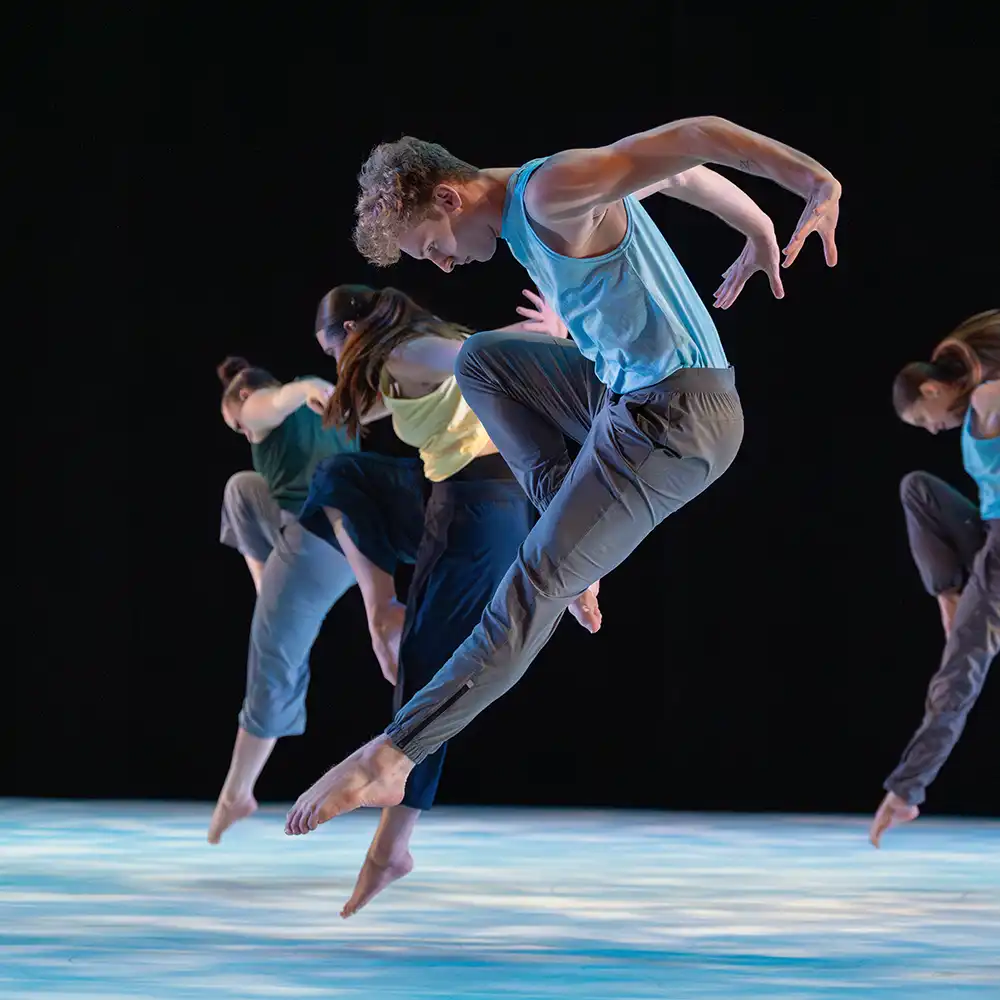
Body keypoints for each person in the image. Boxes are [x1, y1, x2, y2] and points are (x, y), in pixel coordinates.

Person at [284, 114, 842, 837]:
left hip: (677, 421)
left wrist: (812, 183)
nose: (444, 266)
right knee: (483, 359)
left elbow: (696, 135)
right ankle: (568, 535)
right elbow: (675, 174)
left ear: (450, 198)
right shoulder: (535, 209)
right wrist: (755, 224)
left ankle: (392, 756)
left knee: (534, 580)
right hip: (625, 397)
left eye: (433, 247)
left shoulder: (551, 190)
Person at [294, 283, 566, 915]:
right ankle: (382, 609)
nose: (335, 361)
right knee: (340, 476)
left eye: (332, 349)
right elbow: (379, 406)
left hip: (483, 509)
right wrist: (323, 399)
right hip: (453, 502)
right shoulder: (395, 361)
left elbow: (483, 352)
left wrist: (550, 331)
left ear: (352, 330)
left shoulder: (411, 351)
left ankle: (391, 847)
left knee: (426, 673)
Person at [210, 358, 420, 843]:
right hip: (318, 530)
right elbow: (385, 402)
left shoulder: (269, 403)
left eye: (237, 425)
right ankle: (269, 588)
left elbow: (272, 402)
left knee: (273, 656)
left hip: (322, 541)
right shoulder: (330, 405)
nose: (245, 433)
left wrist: (301, 385)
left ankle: (236, 792)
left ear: (242, 399)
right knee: (242, 488)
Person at [870, 310, 999, 847]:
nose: (930, 429)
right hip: (986, 533)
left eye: (924, 419)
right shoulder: (977, 404)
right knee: (917, 487)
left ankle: (907, 790)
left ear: (931, 389)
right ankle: (950, 595)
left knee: (961, 665)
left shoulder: (989, 397)